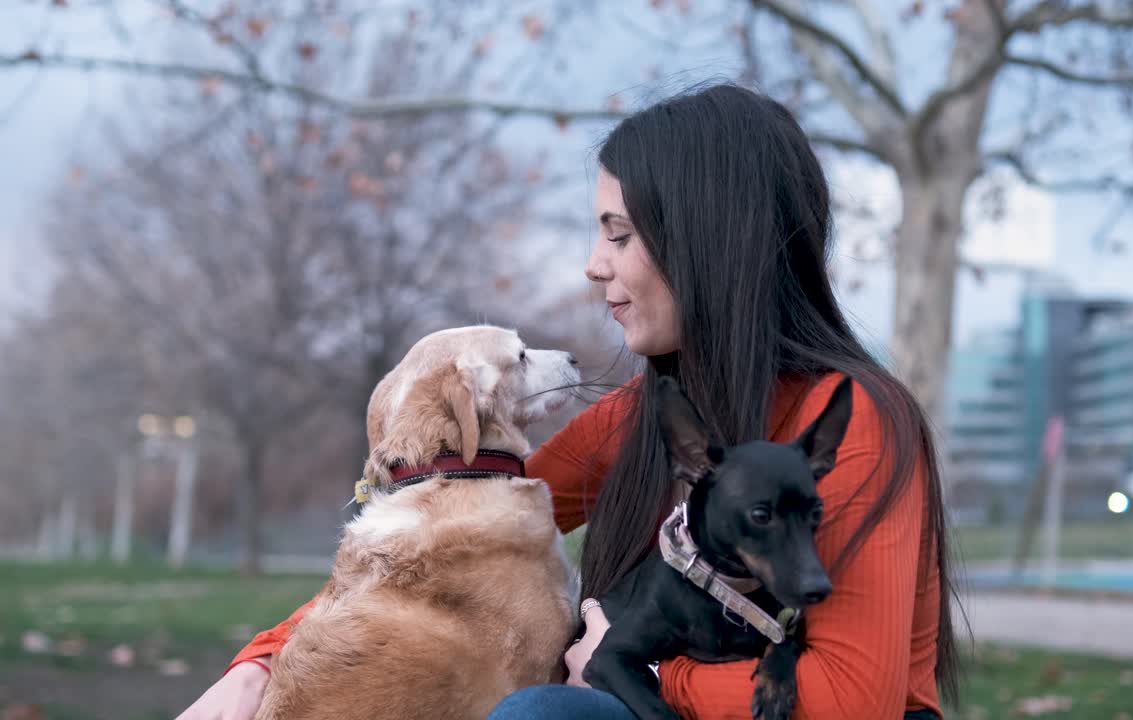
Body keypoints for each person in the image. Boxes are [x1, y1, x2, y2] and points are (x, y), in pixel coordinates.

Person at [178, 83, 959, 720]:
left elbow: (854, 698)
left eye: (619, 236)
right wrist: (265, 661)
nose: (593, 266)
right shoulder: (642, 417)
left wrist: (637, 672)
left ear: (710, 242)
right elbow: (443, 533)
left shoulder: (854, 420)